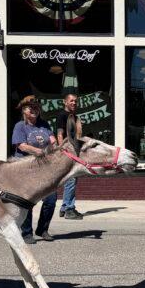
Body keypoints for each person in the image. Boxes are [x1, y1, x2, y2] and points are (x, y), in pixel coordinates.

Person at [12, 96, 58, 243]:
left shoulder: (44, 124)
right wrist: (38, 151)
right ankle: (26, 233)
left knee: (51, 199)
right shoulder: (20, 126)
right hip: (27, 167)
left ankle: (42, 229)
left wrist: (54, 146)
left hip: (44, 167)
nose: (34, 110)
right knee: (28, 201)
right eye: (30, 108)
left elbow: (53, 141)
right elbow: (21, 145)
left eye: (36, 107)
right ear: (24, 111)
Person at [54, 93, 84, 221]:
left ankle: (65, 207)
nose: (74, 103)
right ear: (65, 102)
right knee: (71, 181)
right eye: (71, 101)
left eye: (75, 101)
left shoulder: (75, 117)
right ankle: (68, 209)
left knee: (72, 180)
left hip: (74, 151)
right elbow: (60, 134)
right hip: (67, 152)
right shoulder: (62, 115)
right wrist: (63, 151)